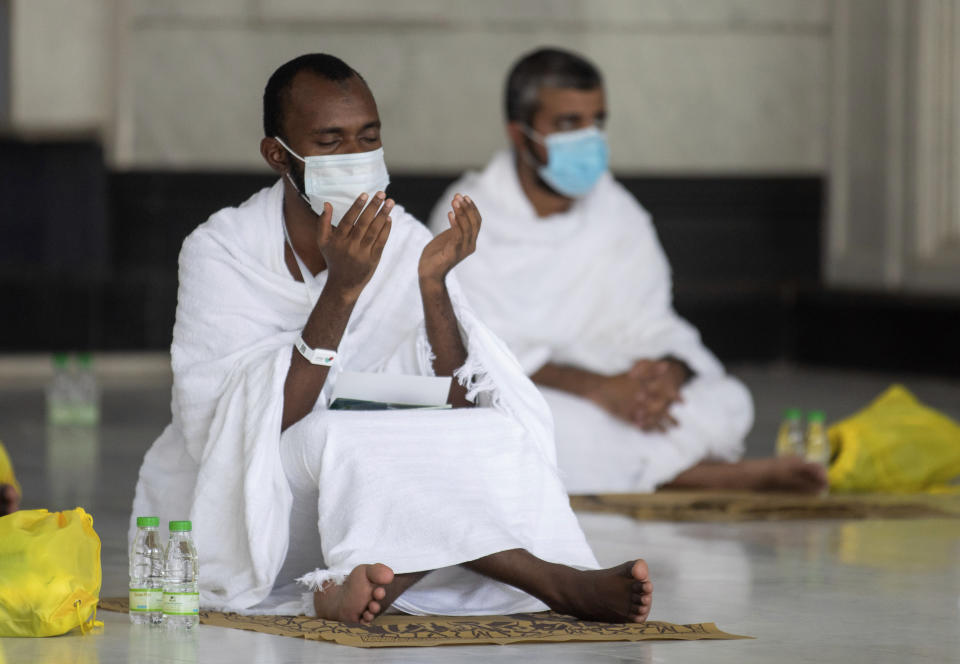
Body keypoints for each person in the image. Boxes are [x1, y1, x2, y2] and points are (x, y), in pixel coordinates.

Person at [131, 53, 652, 626]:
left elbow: (458, 399)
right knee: (341, 436)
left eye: (368, 138)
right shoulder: (220, 250)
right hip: (260, 507)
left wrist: (434, 287)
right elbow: (235, 431)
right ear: (279, 155)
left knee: (493, 430)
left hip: (371, 490)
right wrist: (342, 294)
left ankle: (365, 580)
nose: (356, 158)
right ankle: (551, 579)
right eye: (330, 141)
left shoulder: (401, 236)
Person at [428, 48, 827, 495]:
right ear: (520, 137)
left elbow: (654, 322)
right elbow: (472, 350)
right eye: (567, 124)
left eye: (596, 122)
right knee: (519, 425)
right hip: (546, 395)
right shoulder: (468, 213)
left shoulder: (617, 211)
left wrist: (666, 376)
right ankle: (696, 476)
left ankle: (652, 474)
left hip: (624, 394)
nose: (589, 138)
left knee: (726, 402)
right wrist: (599, 389)